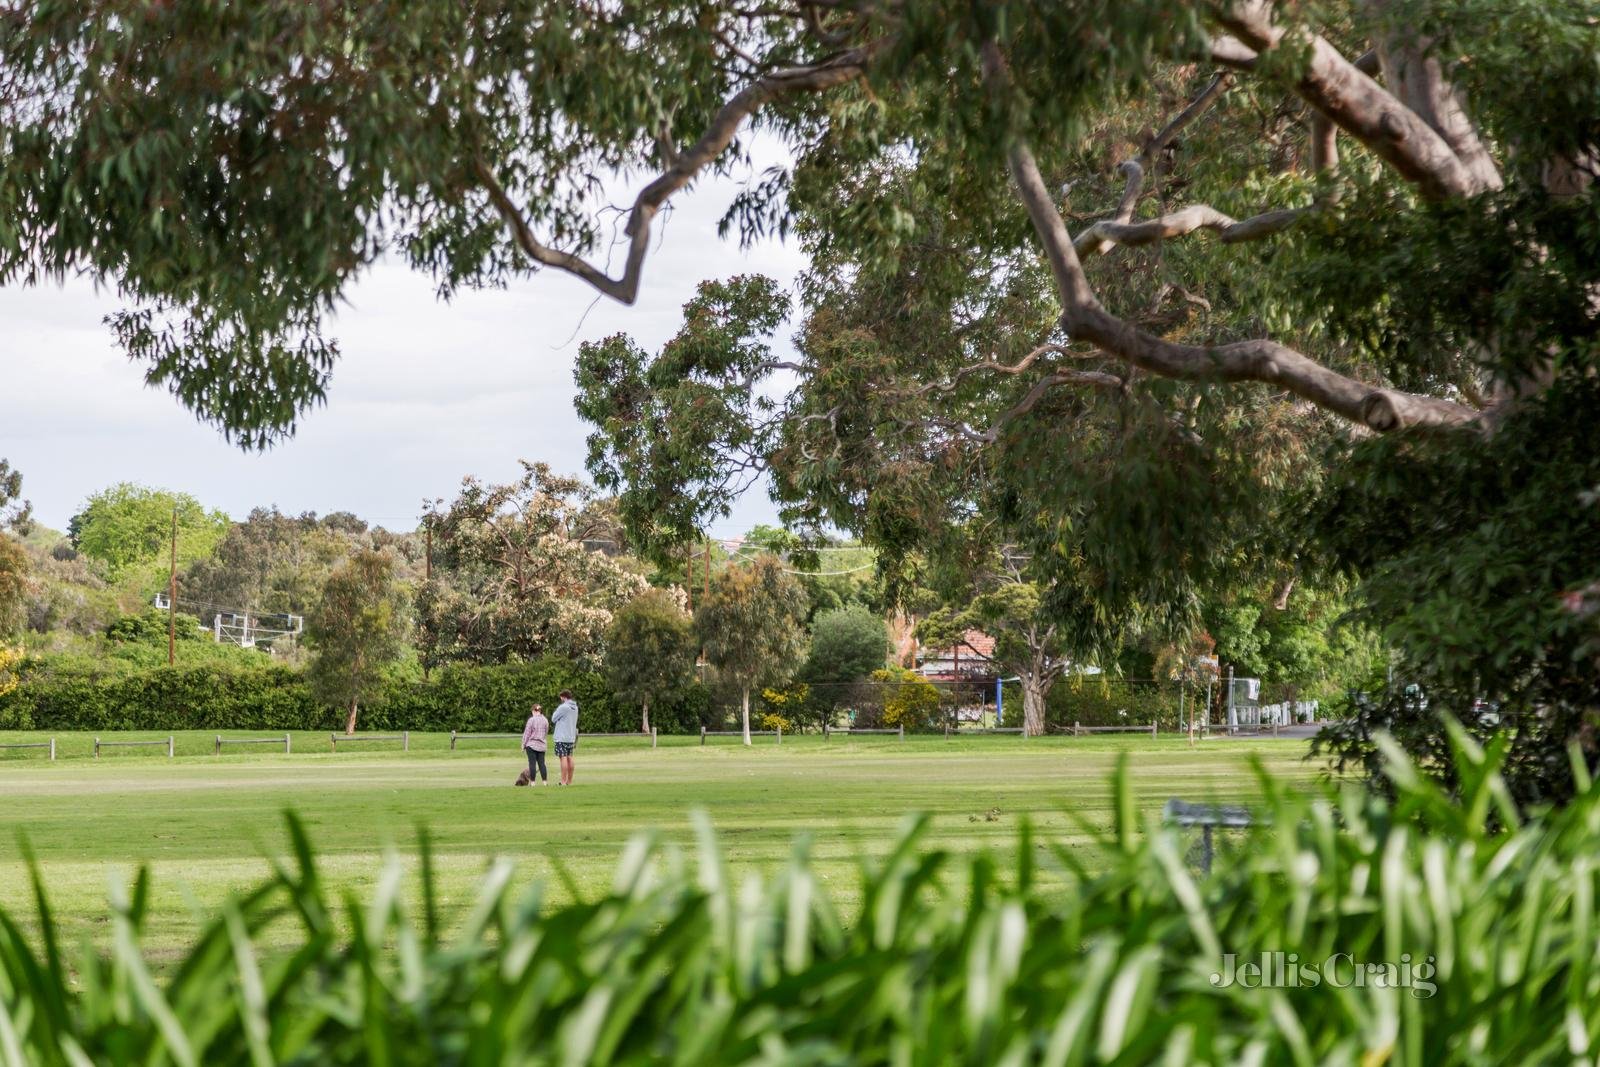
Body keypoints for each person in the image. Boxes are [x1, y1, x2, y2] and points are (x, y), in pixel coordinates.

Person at [551, 689, 579, 786]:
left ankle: (563, 781)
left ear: (564, 697)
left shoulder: (563, 707)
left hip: (562, 737)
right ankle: (569, 781)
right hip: (571, 737)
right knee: (570, 757)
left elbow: (553, 718)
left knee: (563, 758)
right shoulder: (575, 707)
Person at [521, 703, 549, 785]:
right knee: (542, 764)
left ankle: (532, 783)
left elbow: (527, 734)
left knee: (532, 764)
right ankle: (545, 782)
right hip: (542, 745)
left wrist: (523, 744)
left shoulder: (531, 720)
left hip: (531, 745)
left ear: (534, 711)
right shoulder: (545, 720)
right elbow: (546, 733)